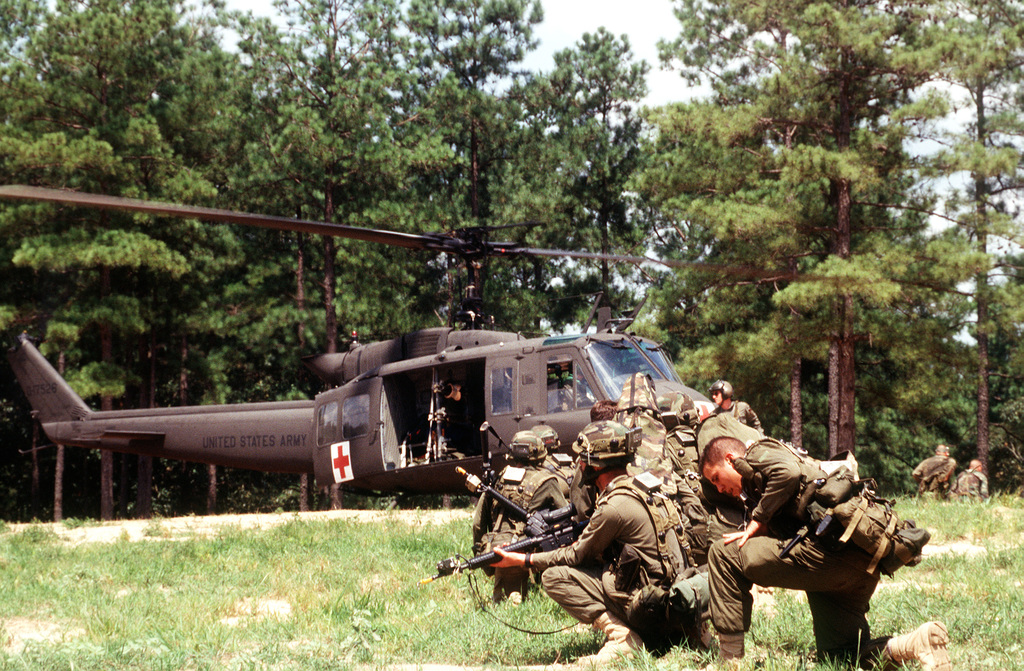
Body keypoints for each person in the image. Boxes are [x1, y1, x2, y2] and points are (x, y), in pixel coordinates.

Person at [700, 435, 950, 670]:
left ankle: (729, 660)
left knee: (723, 554)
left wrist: (756, 520)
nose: (719, 488)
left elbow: (788, 473)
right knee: (841, 656)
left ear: (730, 459)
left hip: (827, 553)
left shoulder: (757, 452)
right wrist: (762, 526)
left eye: (716, 478)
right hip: (857, 563)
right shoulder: (758, 483)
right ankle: (916, 644)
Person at [493, 421, 707, 665]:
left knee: (553, 577)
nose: (579, 466)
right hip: (678, 603)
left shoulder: (614, 506)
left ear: (595, 464)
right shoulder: (649, 486)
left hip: (651, 611)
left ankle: (622, 638)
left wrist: (523, 559)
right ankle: (684, 634)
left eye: (582, 460)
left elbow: (575, 556)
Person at [472, 430, 567, 604]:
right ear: (539, 454)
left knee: (502, 602)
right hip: (525, 550)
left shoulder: (498, 479)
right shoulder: (548, 481)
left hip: (495, 549)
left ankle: (509, 591)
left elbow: (478, 524)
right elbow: (566, 517)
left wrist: (481, 552)